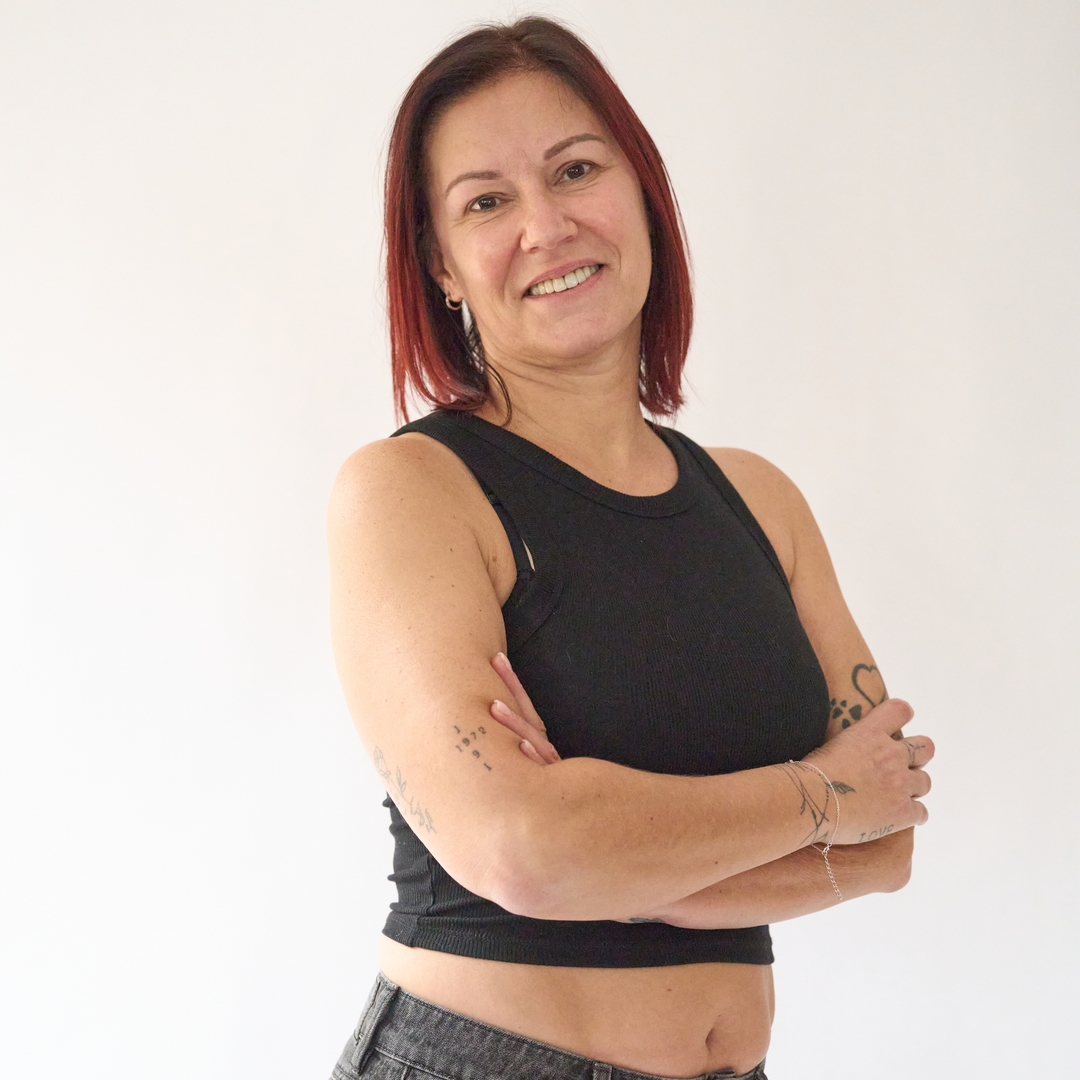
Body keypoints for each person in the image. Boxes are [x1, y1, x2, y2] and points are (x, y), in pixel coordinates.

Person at [327, 17, 933, 1080]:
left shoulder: (759, 501)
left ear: (642, 193)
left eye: (575, 170)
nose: (547, 225)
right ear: (442, 266)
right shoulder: (413, 491)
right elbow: (519, 849)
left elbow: (888, 845)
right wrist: (820, 796)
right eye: (486, 202)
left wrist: (617, 859)